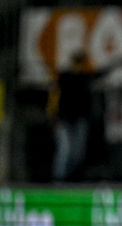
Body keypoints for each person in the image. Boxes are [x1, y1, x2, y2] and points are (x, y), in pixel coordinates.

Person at [47, 51, 94, 182]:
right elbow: (54, 96)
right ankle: (58, 180)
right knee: (64, 150)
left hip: (80, 120)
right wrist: (52, 115)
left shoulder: (85, 78)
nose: (79, 66)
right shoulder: (64, 77)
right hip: (63, 120)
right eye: (77, 62)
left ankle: (72, 180)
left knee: (78, 153)